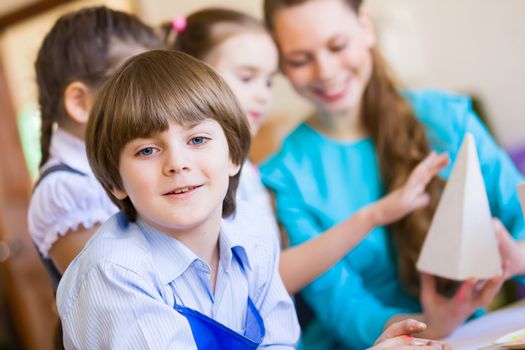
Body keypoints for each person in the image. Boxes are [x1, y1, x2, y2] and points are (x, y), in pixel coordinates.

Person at [260, 0, 525, 348]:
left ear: (365, 28)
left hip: (468, 335)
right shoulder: (284, 175)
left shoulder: (447, 117)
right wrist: (430, 324)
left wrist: (516, 257)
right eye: (299, 59)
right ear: (279, 62)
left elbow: (517, 216)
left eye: (338, 46)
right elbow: (343, 308)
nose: (324, 70)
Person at [166, 7, 449, 297]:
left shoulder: (248, 174)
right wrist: (375, 216)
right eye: (247, 77)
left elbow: (268, 272)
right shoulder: (192, 180)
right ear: (193, 79)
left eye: (268, 81)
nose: (264, 95)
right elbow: (263, 280)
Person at [56, 49, 299, 349]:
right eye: (147, 150)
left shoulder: (253, 232)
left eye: (197, 140)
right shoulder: (115, 274)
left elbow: (280, 342)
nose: (177, 163)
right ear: (115, 180)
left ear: (234, 155)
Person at [27, 6, 161, 289]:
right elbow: (114, 289)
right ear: (80, 102)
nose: (156, 100)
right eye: (136, 85)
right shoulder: (65, 191)